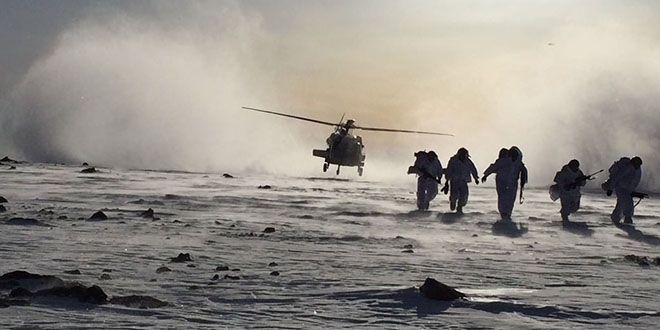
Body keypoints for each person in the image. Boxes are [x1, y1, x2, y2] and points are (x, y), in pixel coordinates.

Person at [607, 156, 644, 225]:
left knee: (621, 203)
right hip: (620, 188)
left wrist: (633, 191)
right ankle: (627, 219)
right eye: (637, 164)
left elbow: (634, 182)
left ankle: (615, 218)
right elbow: (616, 178)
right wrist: (610, 188)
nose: (637, 166)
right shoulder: (626, 168)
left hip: (627, 189)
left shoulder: (637, 170)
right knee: (627, 203)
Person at [443, 147, 479, 214]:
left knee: (464, 195)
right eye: (462, 154)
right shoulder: (453, 161)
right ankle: (453, 202)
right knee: (454, 194)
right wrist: (447, 180)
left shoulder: (468, 161)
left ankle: (460, 206)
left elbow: (473, 169)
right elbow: (449, 170)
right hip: (454, 180)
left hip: (463, 180)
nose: (463, 155)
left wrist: (476, 178)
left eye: (464, 154)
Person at [482, 148, 512, 220]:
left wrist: (485, 175)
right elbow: (493, 167)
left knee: (502, 196)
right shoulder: (512, 161)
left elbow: (493, 167)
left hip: (501, 180)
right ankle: (506, 213)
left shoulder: (502, 161)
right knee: (507, 197)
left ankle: (504, 212)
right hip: (509, 181)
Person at [498, 146, 528, 221]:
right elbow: (495, 167)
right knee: (502, 197)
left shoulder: (519, 164)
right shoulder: (505, 161)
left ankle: (507, 214)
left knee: (511, 198)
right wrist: (486, 174)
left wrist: (522, 185)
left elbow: (524, 174)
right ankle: (503, 213)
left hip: (513, 183)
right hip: (502, 182)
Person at [553, 159, 586, 224]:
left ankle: (566, 214)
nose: (575, 168)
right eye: (574, 166)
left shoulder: (579, 172)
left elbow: (583, 183)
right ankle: (565, 219)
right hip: (565, 194)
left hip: (575, 194)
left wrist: (580, 182)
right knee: (565, 207)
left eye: (576, 166)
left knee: (575, 208)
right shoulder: (564, 172)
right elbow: (558, 181)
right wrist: (568, 184)